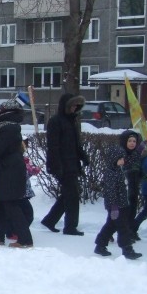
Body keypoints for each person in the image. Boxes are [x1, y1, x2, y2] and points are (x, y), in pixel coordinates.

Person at [0, 100, 33, 248]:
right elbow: (0, 145)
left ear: (7, 112)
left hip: (11, 171)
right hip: (5, 169)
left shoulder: (9, 128)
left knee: (11, 204)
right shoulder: (5, 127)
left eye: (0, 109)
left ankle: (25, 239)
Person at [41, 93, 88, 236]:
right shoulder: (56, 121)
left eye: (76, 106)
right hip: (62, 165)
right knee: (72, 195)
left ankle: (50, 220)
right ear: (66, 106)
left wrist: (83, 156)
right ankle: (70, 227)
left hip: (72, 163)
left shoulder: (71, 121)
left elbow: (75, 144)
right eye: (72, 105)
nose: (75, 108)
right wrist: (57, 167)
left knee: (69, 194)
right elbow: (53, 146)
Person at [94, 144, 142, 259]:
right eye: (120, 159)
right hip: (116, 206)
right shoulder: (110, 173)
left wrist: (140, 149)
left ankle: (100, 246)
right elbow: (110, 192)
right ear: (113, 159)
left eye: (122, 158)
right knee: (123, 227)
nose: (122, 161)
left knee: (111, 225)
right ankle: (127, 250)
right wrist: (114, 207)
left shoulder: (118, 168)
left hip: (122, 204)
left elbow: (131, 160)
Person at [118, 129, 145, 241]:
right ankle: (120, 234)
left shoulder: (136, 154)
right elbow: (128, 163)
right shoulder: (120, 153)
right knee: (121, 213)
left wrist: (144, 176)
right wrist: (140, 149)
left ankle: (129, 231)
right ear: (124, 141)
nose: (132, 143)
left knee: (132, 211)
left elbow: (137, 168)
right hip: (123, 189)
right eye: (130, 141)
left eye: (134, 141)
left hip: (133, 187)